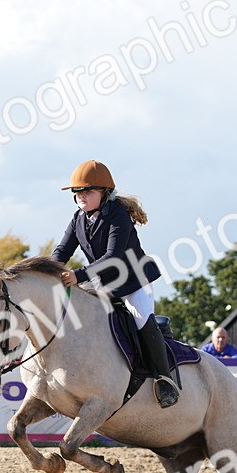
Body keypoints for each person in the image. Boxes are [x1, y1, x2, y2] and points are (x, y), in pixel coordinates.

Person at [51, 160, 179, 407]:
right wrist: (46, 272)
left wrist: (78, 275)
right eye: (77, 192)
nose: (81, 196)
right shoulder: (78, 218)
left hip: (133, 280)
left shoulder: (119, 215)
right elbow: (62, 251)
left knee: (140, 318)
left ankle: (164, 379)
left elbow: (113, 257)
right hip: (102, 284)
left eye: (88, 191)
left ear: (104, 193)